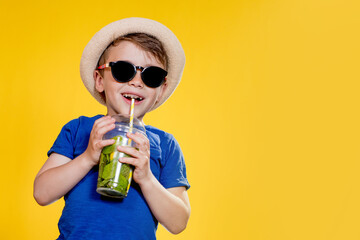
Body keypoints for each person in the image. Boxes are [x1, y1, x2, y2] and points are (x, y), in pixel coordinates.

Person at [33, 17, 190, 240]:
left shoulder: (164, 145)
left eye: (151, 76)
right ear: (99, 79)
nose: (137, 82)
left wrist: (146, 178)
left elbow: (178, 222)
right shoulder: (80, 130)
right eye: (123, 70)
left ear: (161, 90)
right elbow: (41, 193)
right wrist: (88, 157)